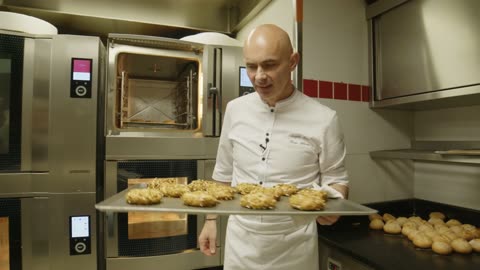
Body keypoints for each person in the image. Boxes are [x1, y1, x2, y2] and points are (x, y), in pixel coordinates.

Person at [198, 24, 349, 270]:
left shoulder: (324, 118)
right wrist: (211, 220)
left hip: (293, 247)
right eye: (251, 66)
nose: (259, 76)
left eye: (269, 65)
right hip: (240, 244)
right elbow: (224, 172)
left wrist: (335, 205)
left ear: (293, 61)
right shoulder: (235, 110)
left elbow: (336, 178)